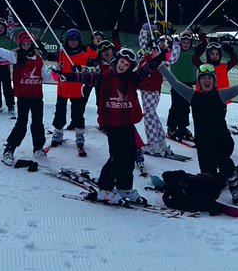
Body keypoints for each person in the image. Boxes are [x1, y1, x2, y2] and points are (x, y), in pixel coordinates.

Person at [58, 47, 164, 204]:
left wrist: (160, 57)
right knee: (117, 157)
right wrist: (66, 76)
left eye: (127, 65)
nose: (123, 66)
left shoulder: (132, 78)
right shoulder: (104, 76)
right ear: (117, 60)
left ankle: (124, 187)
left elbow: (147, 69)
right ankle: (104, 190)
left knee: (129, 155)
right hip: (112, 123)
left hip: (127, 122)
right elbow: (85, 77)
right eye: (122, 62)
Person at [159, 56, 238, 205]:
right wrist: (161, 66)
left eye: (209, 78)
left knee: (223, 161)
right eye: (203, 78)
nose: (206, 80)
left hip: (222, 142)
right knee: (209, 180)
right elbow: (174, 82)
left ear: (214, 81)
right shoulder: (192, 95)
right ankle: (233, 173)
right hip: (203, 145)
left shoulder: (221, 94)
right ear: (199, 81)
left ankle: (235, 186)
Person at [0, 31, 57, 164]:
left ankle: (38, 148)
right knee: (21, 124)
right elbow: (3, 52)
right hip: (23, 97)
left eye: (28, 43)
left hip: (36, 97)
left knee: (38, 124)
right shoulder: (17, 56)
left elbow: (45, 77)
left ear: (32, 44)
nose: (26, 46)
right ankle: (9, 149)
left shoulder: (38, 59)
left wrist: (57, 75)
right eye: (23, 44)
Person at [48, 28, 97, 154]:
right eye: (70, 39)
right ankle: (58, 133)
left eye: (75, 39)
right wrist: (41, 49)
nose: (73, 41)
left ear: (79, 41)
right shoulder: (61, 54)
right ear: (67, 41)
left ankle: (79, 135)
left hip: (77, 89)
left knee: (78, 113)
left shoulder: (85, 56)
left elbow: (94, 68)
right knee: (60, 111)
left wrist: (83, 68)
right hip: (63, 89)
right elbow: (47, 56)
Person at [165, 31, 198, 143]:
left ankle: (182, 128)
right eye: (184, 42)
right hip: (176, 83)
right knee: (176, 106)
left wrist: (200, 34)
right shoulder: (175, 50)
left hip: (188, 83)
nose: (186, 44)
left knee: (185, 107)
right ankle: (171, 128)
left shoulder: (194, 51)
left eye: (188, 42)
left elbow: (204, 45)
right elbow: (166, 53)